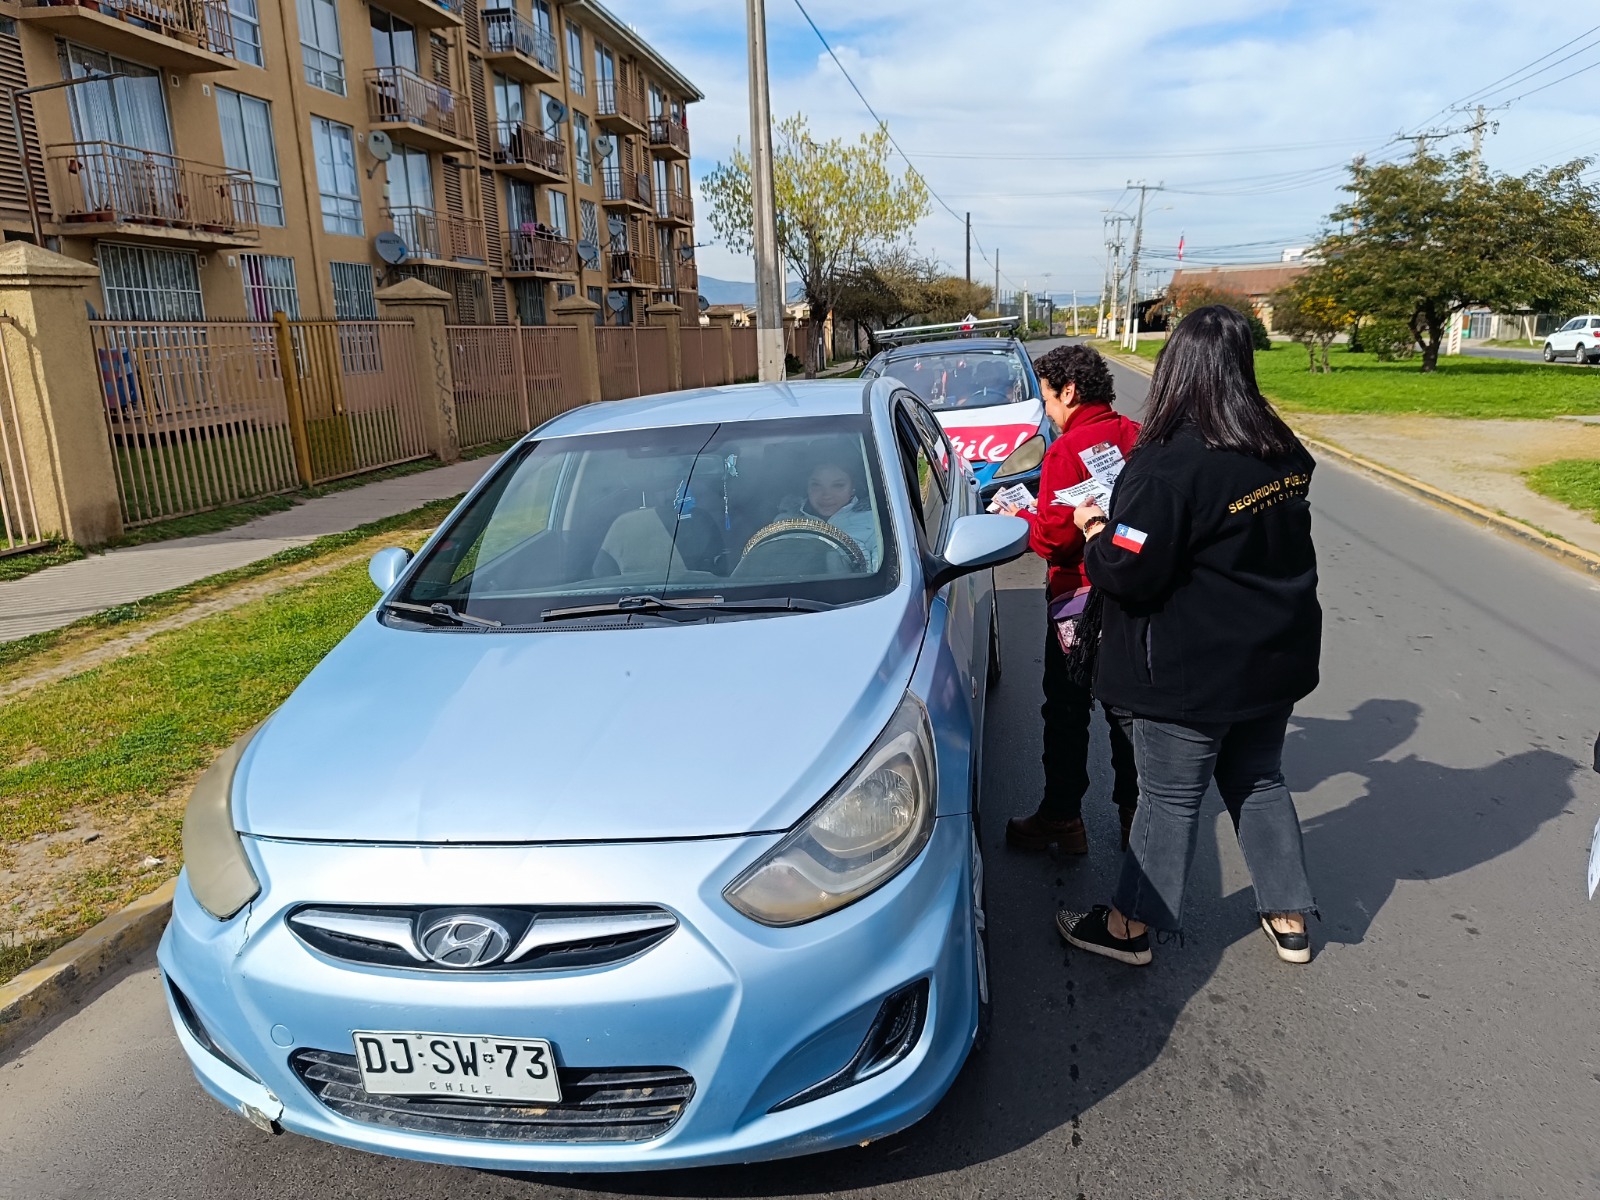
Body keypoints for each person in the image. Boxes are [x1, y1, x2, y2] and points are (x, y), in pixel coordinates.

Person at [1057, 305, 1322, 967]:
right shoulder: (1280, 447)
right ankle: (1288, 915)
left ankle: (1126, 928)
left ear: (1175, 367)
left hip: (1190, 669)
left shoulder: (1168, 465)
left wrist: (1093, 525)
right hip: (1274, 656)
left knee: (1170, 799)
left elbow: (1127, 572)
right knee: (1259, 778)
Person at [996, 344, 1140, 856]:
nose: (1047, 410)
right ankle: (1134, 819)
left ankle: (1062, 817)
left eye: (1048, 398)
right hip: (1132, 592)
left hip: (1077, 599)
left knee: (1066, 708)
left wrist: (1019, 517)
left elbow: (1055, 540)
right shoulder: (1133, 435)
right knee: (1125, 711)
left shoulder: (1063, 451)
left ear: (1070, 392)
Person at [777, 460, 880, 570]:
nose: (826, 495)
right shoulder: (785, 522)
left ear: (853, 488)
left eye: (838, 485)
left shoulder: (874, 521)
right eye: (816, 485)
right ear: (807, 487)